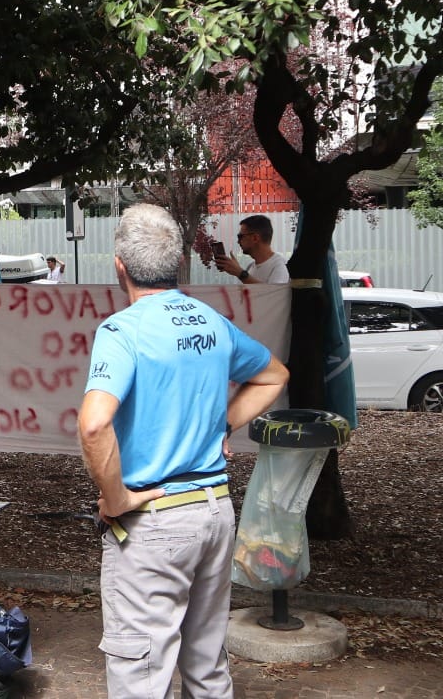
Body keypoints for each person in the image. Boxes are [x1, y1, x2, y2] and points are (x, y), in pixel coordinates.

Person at [80, 204, 288, 699]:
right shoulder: (210, 322)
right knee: (207, 666)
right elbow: (274, 375)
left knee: (141, 678)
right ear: (176, 263)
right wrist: (224, 424)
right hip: (214, 515)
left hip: (154, 523)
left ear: (120, 266)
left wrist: (117, 498)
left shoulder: (121, 331)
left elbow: (93, 424)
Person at [214, 214, 289, 285]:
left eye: (240, 237)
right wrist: (238, 272)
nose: (238, 242)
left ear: (255, 238)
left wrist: (240, 273)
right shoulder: (250, 267)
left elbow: (273, 292)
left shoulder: (280, 266)